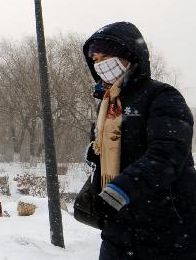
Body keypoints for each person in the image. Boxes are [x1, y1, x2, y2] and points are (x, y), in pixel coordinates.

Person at [83, 22, 196, 259]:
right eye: (95, 60)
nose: (100, 64)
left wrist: (120, 189)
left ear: (129, 55)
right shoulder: (108, 104)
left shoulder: (163, 96)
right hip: (118, 230)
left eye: (107, 56)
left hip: (167, 230)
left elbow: (168, 154)